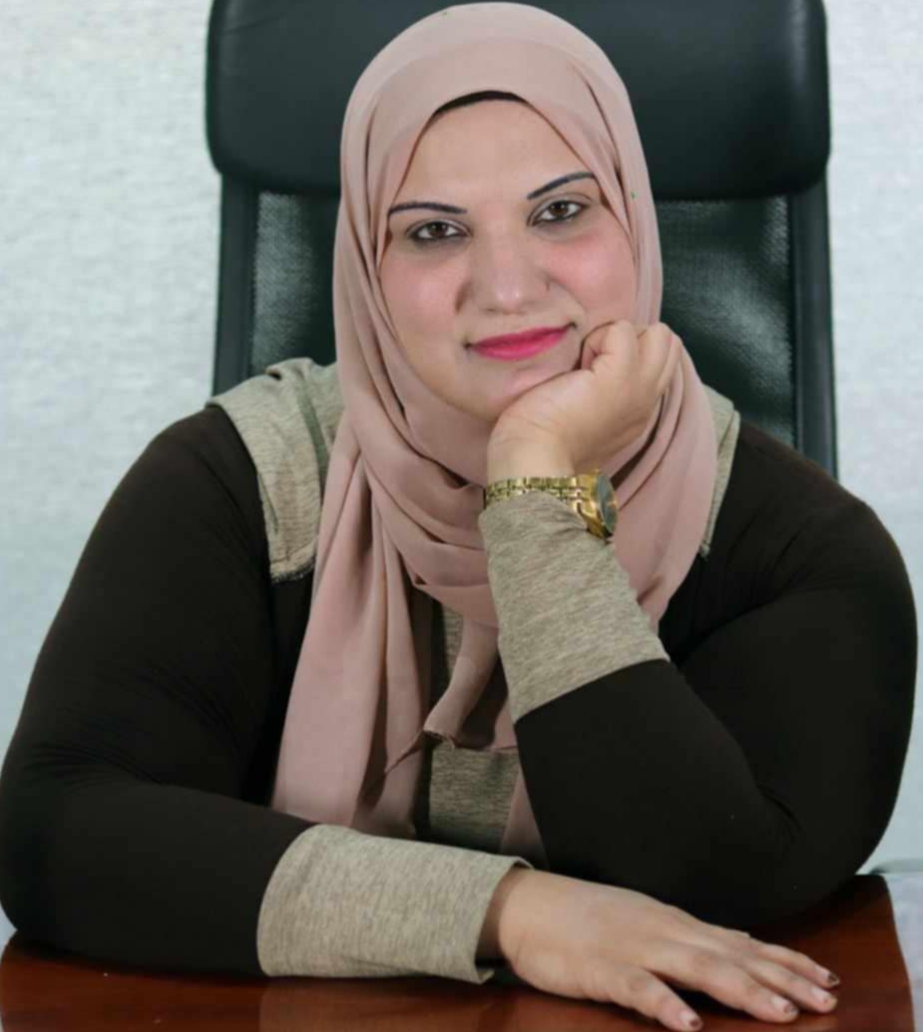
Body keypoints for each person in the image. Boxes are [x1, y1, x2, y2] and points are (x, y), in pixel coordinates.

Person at [0, 4, 916, 1031]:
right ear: (365, 266)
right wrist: (508, 912)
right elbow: (55, 833)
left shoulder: (802, 554)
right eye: (433, 232)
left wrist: (532, 490)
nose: (508, 286)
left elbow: (702, 882)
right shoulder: (242, 483)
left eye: (560, 211)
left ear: (633, 216)